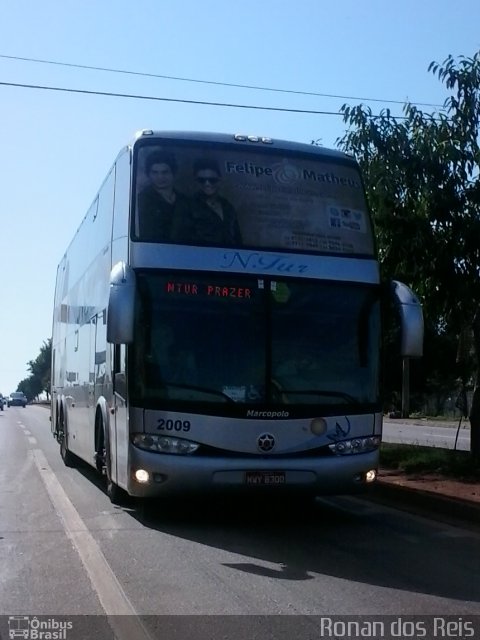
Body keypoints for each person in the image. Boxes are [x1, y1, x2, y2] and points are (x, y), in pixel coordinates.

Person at [137, 151, 191, 242]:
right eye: (155, 172)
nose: (160, 177)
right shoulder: (141, 201)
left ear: (173, 173)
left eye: (165, 172)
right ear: (148, 174)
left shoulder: (186, 202)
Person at [191, 158, 242, 246]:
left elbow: (237, 238)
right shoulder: (186, 206)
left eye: (212, 180)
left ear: (219, 179)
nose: (207, 184)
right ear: (196, 181)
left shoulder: (228, 207)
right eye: (202, 180)